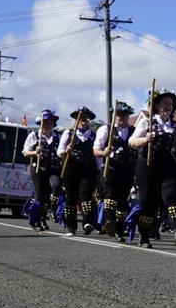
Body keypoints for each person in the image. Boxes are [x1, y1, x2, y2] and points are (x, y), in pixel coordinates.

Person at [129, 90, 176, 249]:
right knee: (148, 202)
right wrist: (146, 139)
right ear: (156, 105)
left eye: (170, 104)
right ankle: (144, 236)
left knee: (172, 195)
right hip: (148, 166)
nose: (167, 107)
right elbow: (132, 142)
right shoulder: (147, 123)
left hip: (169, 166)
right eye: (164, 103)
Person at [93, 102, 137, 241]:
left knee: (122, 201)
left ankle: (119, 228)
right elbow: (95, 151)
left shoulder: (133, 131)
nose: (121, 117)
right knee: (110, 195)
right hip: (110, 168)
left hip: (127, 170)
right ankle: (109, 221)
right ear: (113, 115)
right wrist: (103, 152)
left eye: (124, 115)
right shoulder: (106, 129)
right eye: (118, 114)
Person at [56, 106, 98, 236]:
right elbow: (59, 151)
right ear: (76, 119)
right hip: (71, 168)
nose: (84, 120)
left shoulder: (93, 135)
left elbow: (97, 155)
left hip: (88, 169)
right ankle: (71, 226)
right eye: (81, 117)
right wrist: (66, 150)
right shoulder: (68, 133)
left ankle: (87, 222)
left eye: (86, 117)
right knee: (71, 198)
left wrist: (100, 171)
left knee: (85, 195)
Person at [21, 109, 61, 232]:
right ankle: (36, 220)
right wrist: (35, 152)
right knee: (40, 195)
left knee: (55, 188)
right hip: (38, 168)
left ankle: (43, 215)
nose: (47, 125)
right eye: (45, 123)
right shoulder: (34, 135)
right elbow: (25, 152)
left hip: (54, 169)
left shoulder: (58, 136)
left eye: (50, 122)